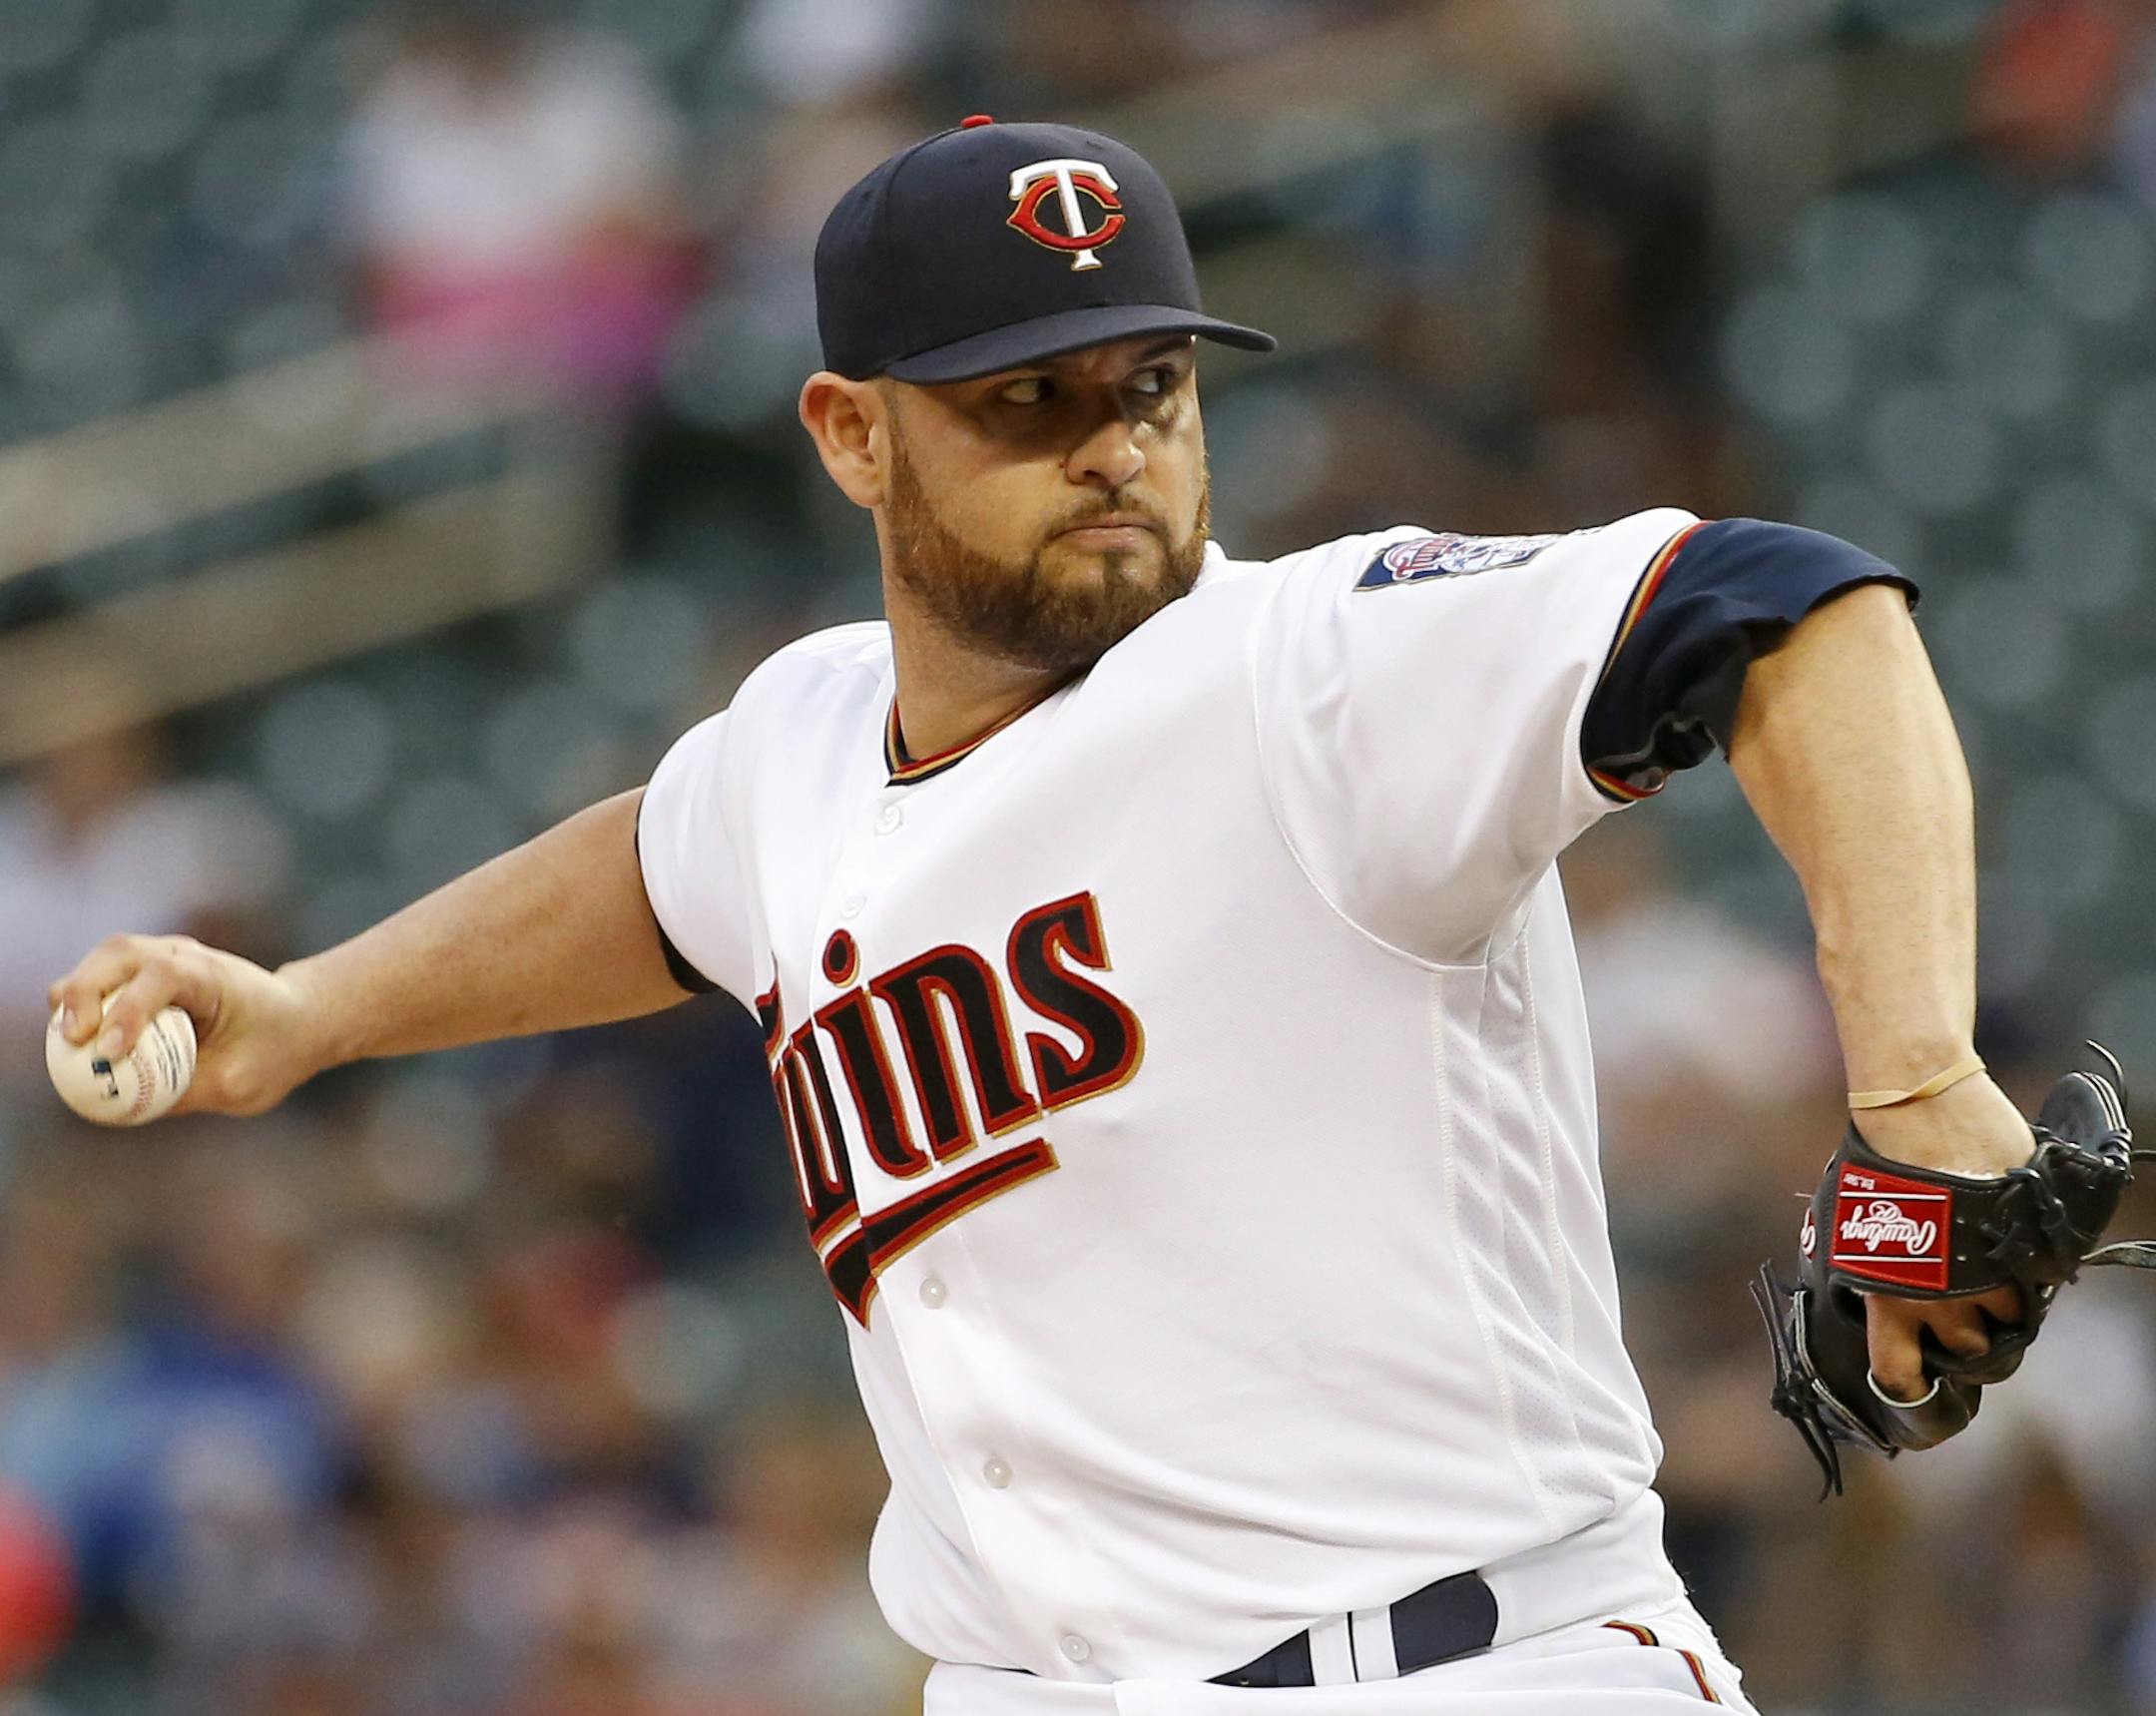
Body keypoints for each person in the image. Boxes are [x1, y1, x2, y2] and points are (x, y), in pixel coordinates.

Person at [50, 118, 2043, 1714]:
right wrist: (309, 1008)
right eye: (1026, 397)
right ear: (851, 433)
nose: (1112, 444)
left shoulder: (1308, 668)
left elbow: (1793, 608)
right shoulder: (801, 741)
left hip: (1465, 1661)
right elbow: (657, 868)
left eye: (1153, 383)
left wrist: (1923, 1074)